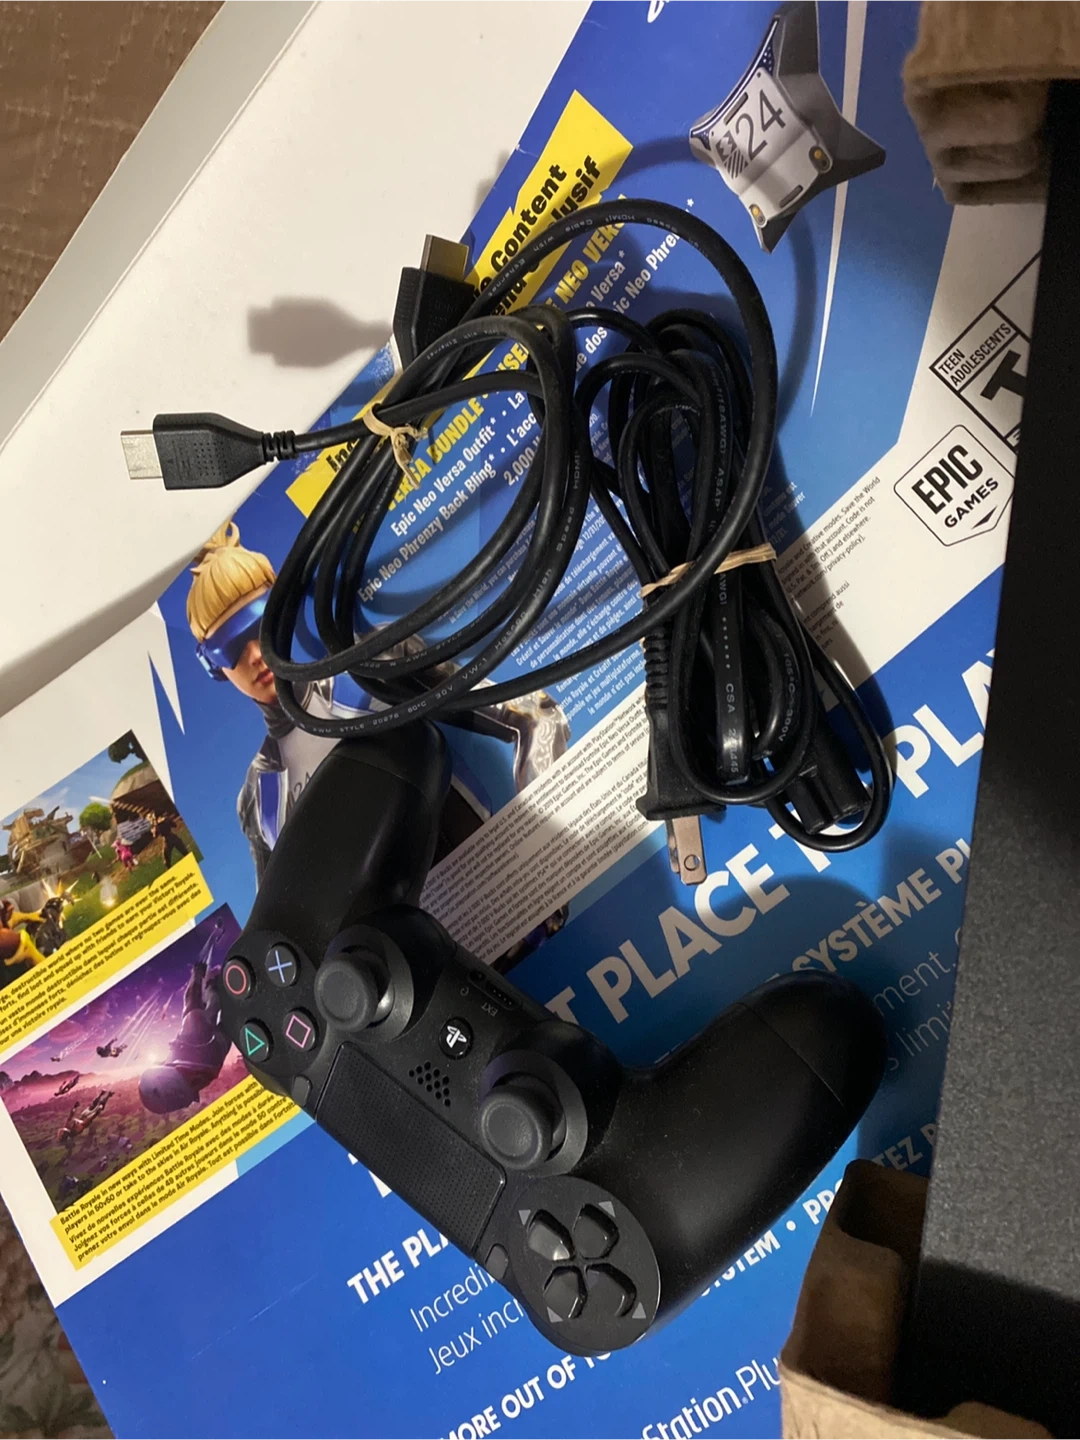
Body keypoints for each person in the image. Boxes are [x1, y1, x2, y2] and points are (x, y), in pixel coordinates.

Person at [185, 522, 571, 884]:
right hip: (410, 934)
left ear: (282, 616)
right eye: (232, 649)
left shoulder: (375, 667)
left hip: (507, 887)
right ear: (214, 667)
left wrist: (544, 844)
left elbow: (536, 715)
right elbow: (279, 920)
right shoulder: (258, 798)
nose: (255, 655)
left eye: (260, 628)